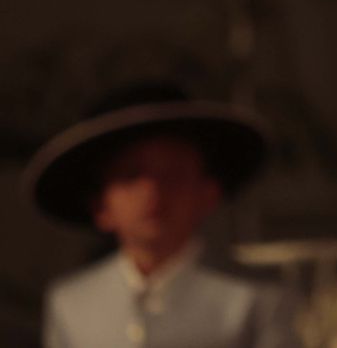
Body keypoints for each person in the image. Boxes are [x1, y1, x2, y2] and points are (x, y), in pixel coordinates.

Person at [24, 82, 300, 348]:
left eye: (173, 174)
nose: (152, 191)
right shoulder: (71, 302)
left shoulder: (256, 297)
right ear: (101, 207)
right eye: (130, 175)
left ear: (208, 193)